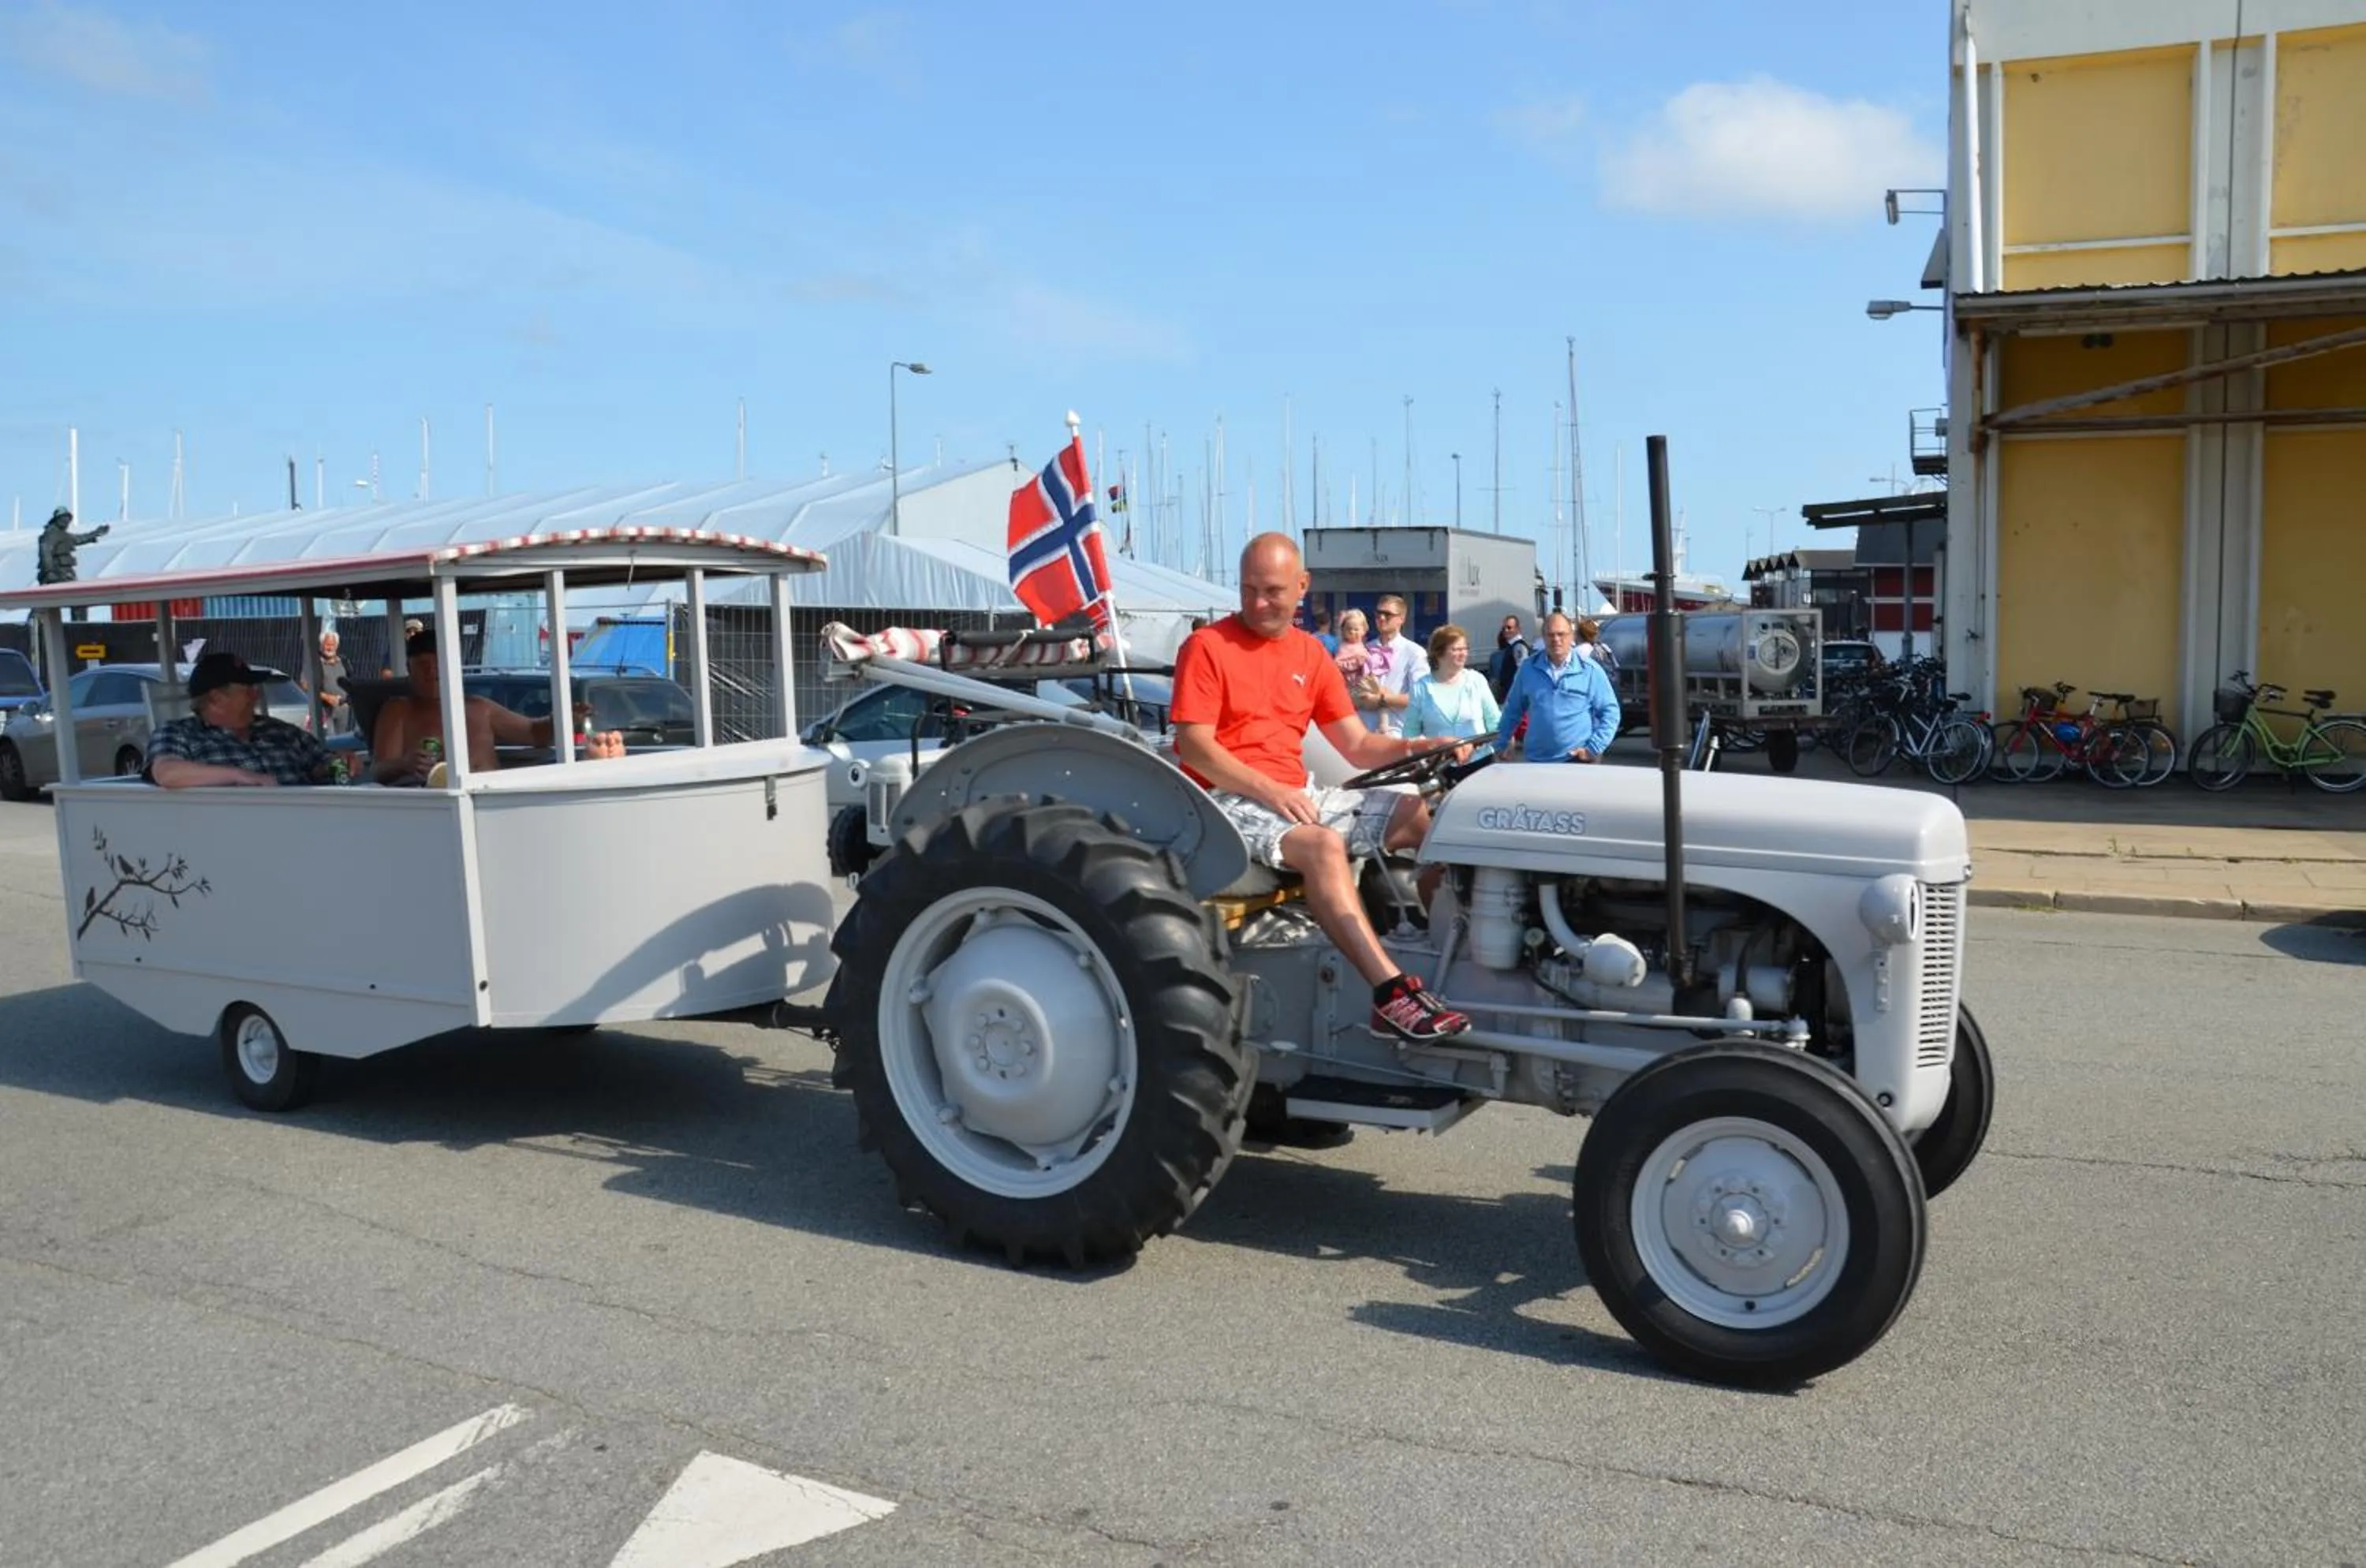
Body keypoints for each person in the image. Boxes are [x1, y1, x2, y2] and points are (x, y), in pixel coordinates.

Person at [1173, 533, 1470, 1043]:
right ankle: (1390, 994)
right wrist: (1271, 790)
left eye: (1272, 591)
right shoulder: (1206, 647)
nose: (1258, 604)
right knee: (1323, 844)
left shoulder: (1310, 653)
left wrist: (1423, 746)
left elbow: (1357, 744)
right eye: (1248, 590)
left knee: (1423, 816)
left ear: (1302, 587)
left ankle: (1454, 950)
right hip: (1225, 798)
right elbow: (1194, 747)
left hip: (1294, 794)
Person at [370, 628, 618, 784]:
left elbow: (535, 733)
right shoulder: (399, 710)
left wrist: (562, 719)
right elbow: (379, 769)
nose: (432, 672)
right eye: (424, 665)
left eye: (438, 664)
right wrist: (405, 764)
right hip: (437, 809)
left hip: (493, 801)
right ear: (409, 668)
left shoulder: (479, 707)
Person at [147, 651, 338, 788]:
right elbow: (167, 772)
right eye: (248, 690)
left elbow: (328, 764)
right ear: (215, 698)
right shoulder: (181, 733)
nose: (257, 696)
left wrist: (340, 765)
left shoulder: (281, 731)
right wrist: (241, 776)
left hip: (310, 821)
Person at [1496, 611, 1621, 763]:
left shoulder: (1590, 670)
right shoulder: (1528, 669)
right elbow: (1512, 710)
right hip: (1538, 762)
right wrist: (1501, 744)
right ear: (1543, 637)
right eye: (1551, 635)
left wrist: (1593, 748)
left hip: (1578, 761)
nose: (1556, 639)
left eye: (1561, 634)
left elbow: (1611, 713)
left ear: (1572, 636)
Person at [1402, 623, 1501, 756]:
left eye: (1465, 649)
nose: (1463, 653)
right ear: (1439, 653)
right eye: (1456, 649)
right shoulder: (1421, 688)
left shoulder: (1476, 681)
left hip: (1480, 761)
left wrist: (1504, 743)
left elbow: (1495, 722)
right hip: (1439, 764)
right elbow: (1410, 734)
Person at [1360, 594, 1429, 736]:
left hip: (1397, 733)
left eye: (1388, 614)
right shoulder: (1364, 650)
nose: (1381, 618)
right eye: (1378, 613)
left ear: (1401, 619)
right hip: (1365, 732)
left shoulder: (1414, 652)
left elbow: (1421, 698)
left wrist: (1383, 699)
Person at [314, 629, 353, 735]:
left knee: (342, 739)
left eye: (333, 645)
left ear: (337, 646)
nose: (330, 648)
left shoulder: (344, 661)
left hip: (343, 708)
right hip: (324, 709)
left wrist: (348, 701)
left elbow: (352, 680)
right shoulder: (315, 662)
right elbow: (306, 685)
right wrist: (327, 697)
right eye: (327, 645)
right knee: (329, 739)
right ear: (322, 645)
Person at [1487, 614, 1530, 703]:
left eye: (1509, 628)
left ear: (1517, 629)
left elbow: (1522, 670)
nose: (1506, 630)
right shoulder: (1511, 646)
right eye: (1504, 628)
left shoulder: (1519, 646)